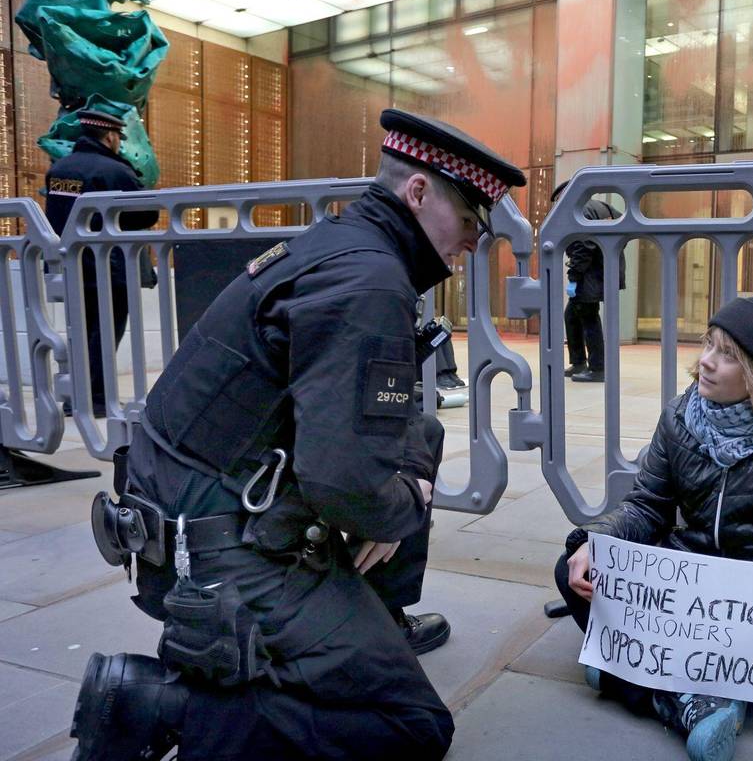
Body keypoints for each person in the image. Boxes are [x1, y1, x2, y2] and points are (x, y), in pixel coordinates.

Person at [73, 109, 526, 760]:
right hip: (218, 556)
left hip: (184, 516)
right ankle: (163, 706)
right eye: (470, 222)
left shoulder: (345, 245)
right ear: (418, 193)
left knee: (417, 436)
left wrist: (389, 491)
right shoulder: (371, 281)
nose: (474, 242)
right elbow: (342, 484)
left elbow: (367, 430)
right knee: (412, 725)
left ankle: (370, 627)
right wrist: (404, 502)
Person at [554, 296, 753, 761]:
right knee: (572, 571)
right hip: (685, 587)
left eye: (728, 354)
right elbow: (646, 505)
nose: (705, 362)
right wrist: (598, 542)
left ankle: (641, 682)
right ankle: (704, 697)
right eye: (708, 345)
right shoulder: (679, 417)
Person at [44, 109, 158, 418]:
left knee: (80, 331)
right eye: (118, 138)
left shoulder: (61, 169)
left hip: (71, 264)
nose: (119, 143)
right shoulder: (114, 170)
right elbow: (148, 213)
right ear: (109, 136)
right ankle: (96, 399)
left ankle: (75, 398)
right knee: (105, 333)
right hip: (109, 267)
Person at [551, 180, 625, 383]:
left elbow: (584, 247)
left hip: (590, 274)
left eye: (558, 200)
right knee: (573, 315)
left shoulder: (579, 210)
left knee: (589, 317)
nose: (557, 205)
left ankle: (597, 368)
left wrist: (573, 276)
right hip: (605, 270)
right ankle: (579, 362)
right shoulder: (602, 207)